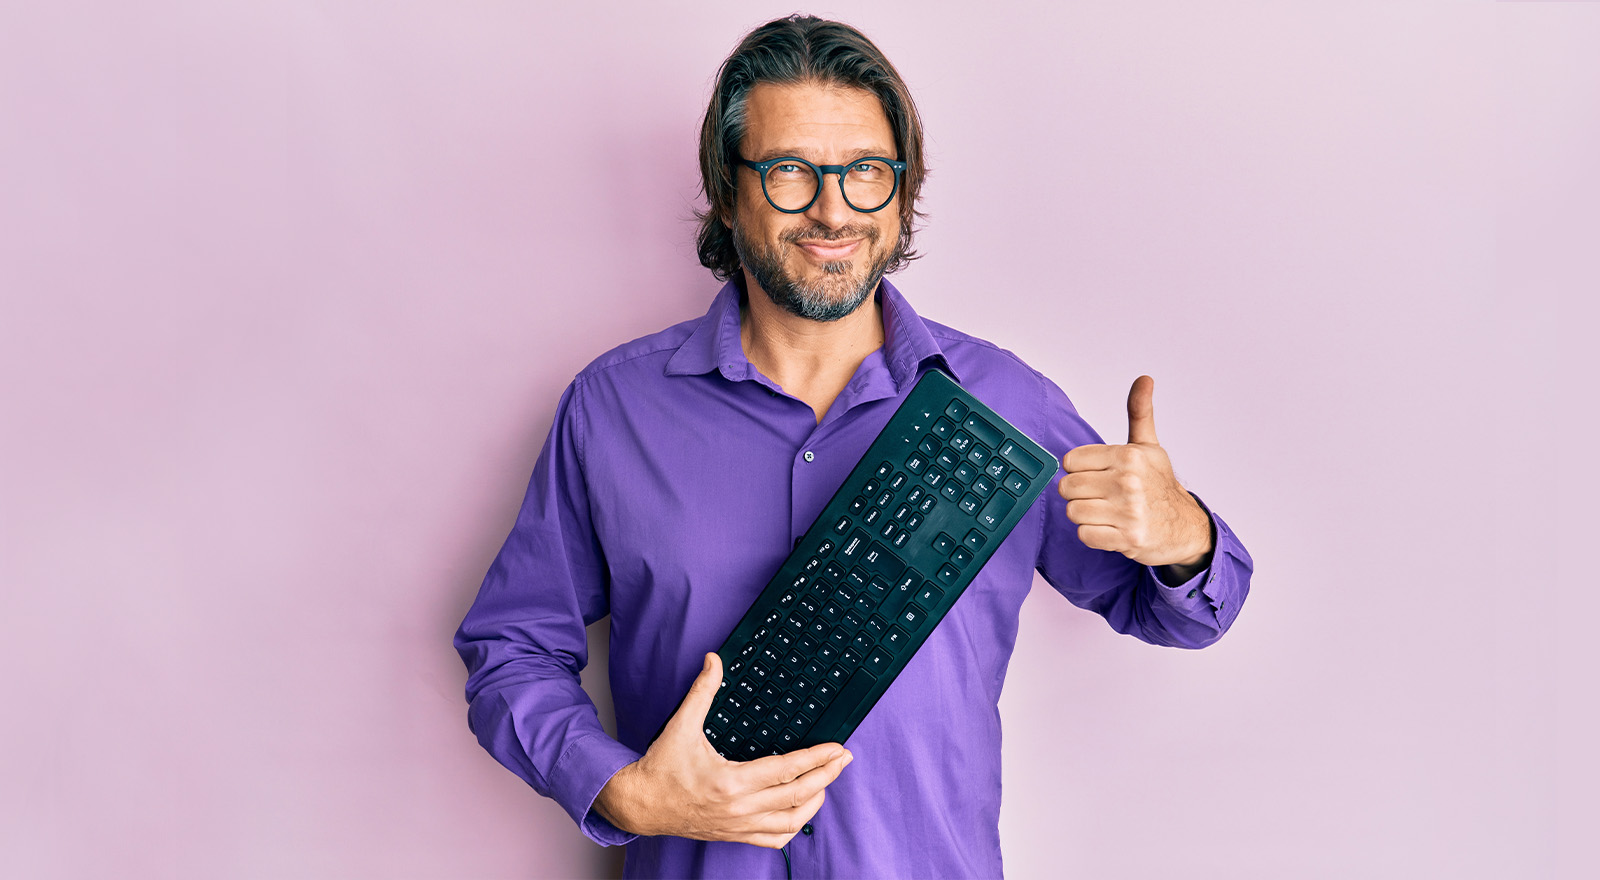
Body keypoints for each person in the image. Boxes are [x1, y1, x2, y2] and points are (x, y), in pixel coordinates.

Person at [454, 14, 1252, 879]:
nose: (834, 210)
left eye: (866, 172)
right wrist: (620, 791)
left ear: (902, 190)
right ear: (729, 192)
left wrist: (1182, 538)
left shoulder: (1007, 407)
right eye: (791, 171)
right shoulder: (614, 409)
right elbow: (511, 649)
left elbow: (1182, 612)